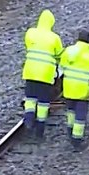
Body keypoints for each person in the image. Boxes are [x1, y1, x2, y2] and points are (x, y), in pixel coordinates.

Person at [58, 29, 89, 150]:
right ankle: (77, 140)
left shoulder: (68, 51)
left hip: (68, 88)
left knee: (70, 111)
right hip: (82, 90)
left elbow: (61, 69)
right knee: (80, 116)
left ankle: (70, 131)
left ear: (78, 39)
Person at [22, 9, 64, 139]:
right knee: (43, 102)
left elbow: (28, 47)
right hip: (46, 74)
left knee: (30, 98)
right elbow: (59, 55)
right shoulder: (55, 38)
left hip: (30, 71)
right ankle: (40, 129)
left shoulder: (30, 33)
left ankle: (28, 120)